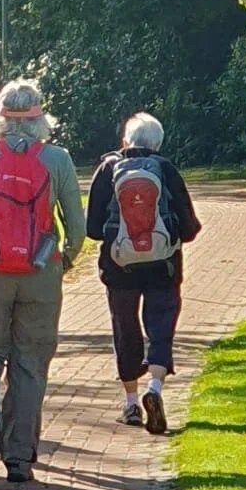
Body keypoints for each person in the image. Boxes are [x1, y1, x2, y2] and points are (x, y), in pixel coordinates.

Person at [0, 78, 85, 484]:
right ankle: (20, 458)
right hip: (40, 272)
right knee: (30, 363)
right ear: (41, 119)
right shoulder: (58, 160)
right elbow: (77, 229)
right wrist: (62, 262)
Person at [84, 111, 201, 435]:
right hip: (163, 266)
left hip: (119, 267)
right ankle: (155, 388)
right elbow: (188, 227)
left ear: (125, 140)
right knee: (160, 326)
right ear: (158, 144)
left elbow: (92, 228)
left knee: (125, 328)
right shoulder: (165, 169)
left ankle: (131, 404)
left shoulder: (108, 169)